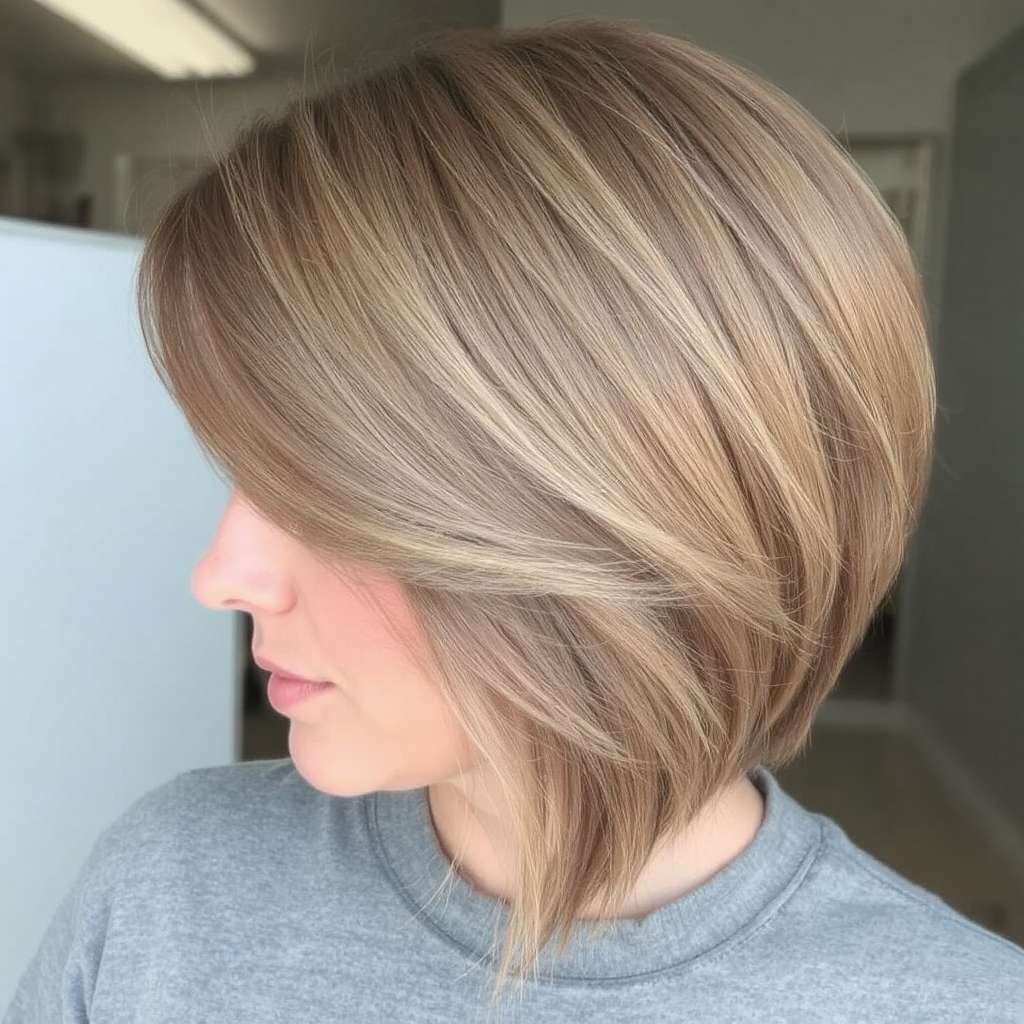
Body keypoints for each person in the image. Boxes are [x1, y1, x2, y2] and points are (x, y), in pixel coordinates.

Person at [5, 16, 1023, 1024]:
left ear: (618, 512)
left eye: (322, 491)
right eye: (242, 472)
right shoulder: (167, 894)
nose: (222, 576)